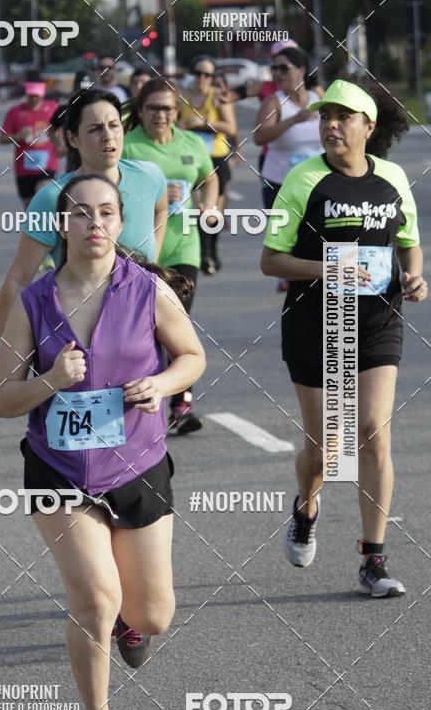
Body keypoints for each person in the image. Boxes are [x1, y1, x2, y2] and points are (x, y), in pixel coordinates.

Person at [0, 173, 206, 710]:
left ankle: (129, 623)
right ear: (63, 225)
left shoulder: (148, 289)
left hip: (137, 464)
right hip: (59, 469)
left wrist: (160, 384)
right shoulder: (33, 302)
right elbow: (1, 401)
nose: (95, 223)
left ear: (119, 221)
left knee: (152, 612)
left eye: (106, 212)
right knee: (94, 599)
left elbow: (192, 356)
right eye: (81, 213)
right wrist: (51, 380)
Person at [260, 76, 426, 598]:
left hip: (379, 321)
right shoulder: (302, 180)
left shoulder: (394, 177)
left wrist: (416, 275)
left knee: (374, 429)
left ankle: (372, 560)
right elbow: (271, 260)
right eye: (325, 116)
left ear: (368, 127)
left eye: (343, 117)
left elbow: (409, 243)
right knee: (325, 448)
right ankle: (306, 509)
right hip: (317, 324)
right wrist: (329, 268)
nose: (331, 124)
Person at [0, 88, 168, 388]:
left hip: (137, 326)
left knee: (139, 418)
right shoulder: (51, 198)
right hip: (76, 334)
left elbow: (162, 210)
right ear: (72, 138)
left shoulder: (149, 175)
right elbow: (18, 278)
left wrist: (150, 266)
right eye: (95, 129)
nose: (109, 137)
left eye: (114, 126)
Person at [123, 78, 218, 435]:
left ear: (177, 111)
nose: (161, 114)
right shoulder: (128, 146)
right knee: (151, 328)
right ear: (141, 111)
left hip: (184, 246)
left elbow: (210, 178)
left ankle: (180, 403)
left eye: (167, 108)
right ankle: (153, 401)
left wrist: (210, 205)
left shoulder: (191, 142)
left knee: (179, 323)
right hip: (143, 249)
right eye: (153, 108)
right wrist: (154, 191)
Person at [255, 46, 323, 291]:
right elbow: (260, 136)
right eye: (274, 68)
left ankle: (315, 274)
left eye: (284, 68)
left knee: (314, 233)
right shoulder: (274, 102)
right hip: (279, 182)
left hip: (314, 181)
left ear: (302, 70)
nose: (278, 73)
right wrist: (294, 119)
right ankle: (289, 277)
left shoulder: (318, 98)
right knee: (286, 234)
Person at [179, 55, 239, 275]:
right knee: (199, 207)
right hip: (192, 158)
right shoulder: (183, 98)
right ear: (191, 74)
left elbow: (231, 127)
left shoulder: (217, 97)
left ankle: (212, 250)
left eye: (207, 75)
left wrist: (205, 123)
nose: (202, 78)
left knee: (214, 211)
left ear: (213, 78)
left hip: (217, 156)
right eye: (198, 73)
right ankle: (204, 255)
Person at [0, 73, 58, 207]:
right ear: (26, 93)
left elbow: (65, 129)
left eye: (37, 96)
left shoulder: (53, 108)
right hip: (24, 170)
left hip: (47, 167)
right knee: (30, 210)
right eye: (31, 96)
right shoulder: (15, 112)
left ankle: (48, 227)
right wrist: (19, 136)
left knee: (43, 198)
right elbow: (2, 138)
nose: (34, 99)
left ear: (42, 93)